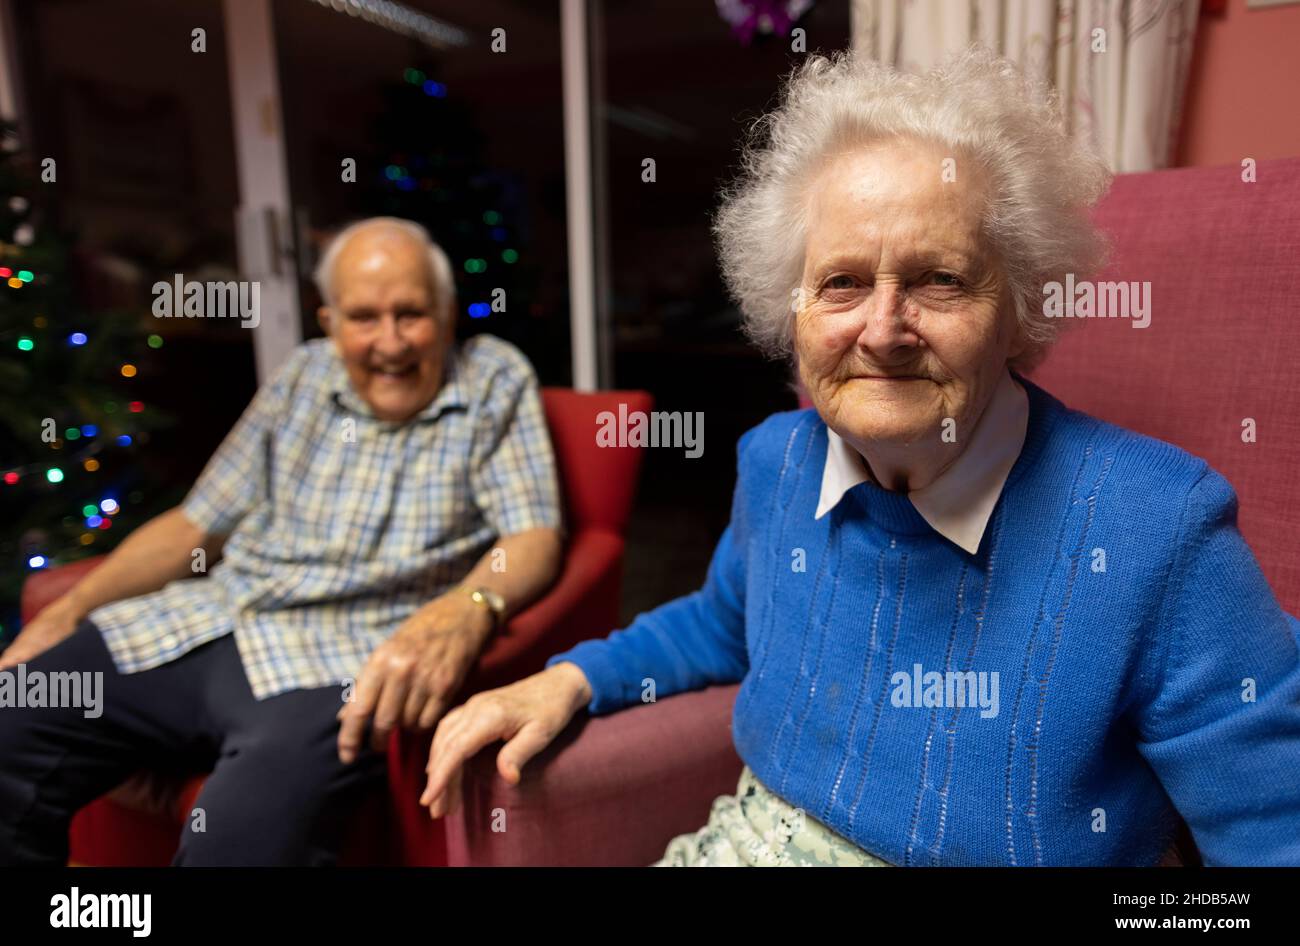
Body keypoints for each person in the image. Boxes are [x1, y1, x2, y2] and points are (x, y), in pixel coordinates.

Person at [420, 50, 1300, 866]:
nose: (883, 330)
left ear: (1020, 309)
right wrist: (573, 676)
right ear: (788, 308)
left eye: (940, 280)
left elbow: (1274, 833)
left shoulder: (1157, 528)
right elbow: (727, 620)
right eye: (841, 283)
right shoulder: (775, 462)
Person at [0, 217, 563, 865]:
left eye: (411, 314)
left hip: (336, 663)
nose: (389, 342)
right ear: (328, 321)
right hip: (204, 620)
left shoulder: (493, 378)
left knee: (239, 846)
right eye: (363, 317)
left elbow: (533, 533)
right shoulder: (301, 376)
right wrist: (69, 610)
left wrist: (467, 607)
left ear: (446, 314)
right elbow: (195, 523)